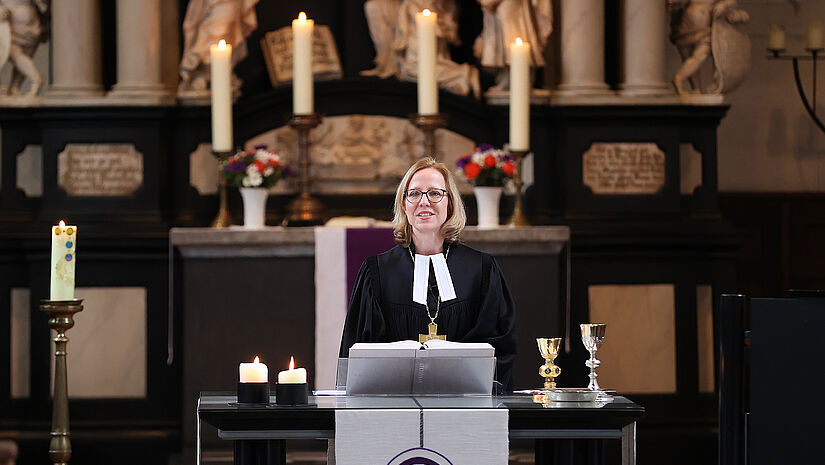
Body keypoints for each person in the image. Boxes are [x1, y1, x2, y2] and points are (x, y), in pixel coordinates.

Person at [339, 157, 517, 391]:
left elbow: (498, 347)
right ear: (404, 204)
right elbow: (360, 352)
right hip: (393, 406)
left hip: (466, 405)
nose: (424, 202)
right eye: (414, 194)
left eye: (435, 193)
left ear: (450, 204)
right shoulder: (377, 272)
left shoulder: (482, 270)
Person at [0, 0, 48, 97]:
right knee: (20, 54)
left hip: (19, 20)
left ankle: (35, 79)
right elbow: (43, 6)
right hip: (29, 20)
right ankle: (15, 88)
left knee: (13, 52)